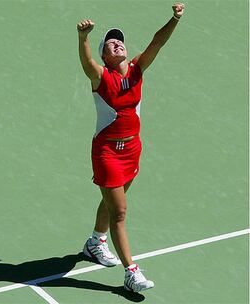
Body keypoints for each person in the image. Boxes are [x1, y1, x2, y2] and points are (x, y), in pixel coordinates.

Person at [77, 3, 185, 293]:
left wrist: (174, 19)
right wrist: (83, 38)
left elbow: (157, 42)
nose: (117, 44)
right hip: (108, 154)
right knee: (120, 213)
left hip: (132, 150)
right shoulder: (101, 78)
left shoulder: (138, 69)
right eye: (110, 43)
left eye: (119, 41)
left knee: (113, 201)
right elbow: (86, 63)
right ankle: (131, 272)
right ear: (104, 56)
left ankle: (95, 242)